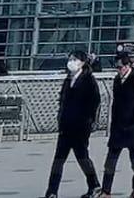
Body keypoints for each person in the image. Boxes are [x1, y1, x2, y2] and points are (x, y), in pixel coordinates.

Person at [45, 49, 101, 198]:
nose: (71, 62)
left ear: (82, 63)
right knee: (58, 160)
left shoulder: (88, 80)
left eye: (75, 60)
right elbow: (63, 102)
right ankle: (52, 192)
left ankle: (94, 186)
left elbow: (95, 102)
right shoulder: (68, 80)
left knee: (83, 158)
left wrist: (89, 121)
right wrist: (60, 118)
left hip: (80, 127)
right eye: (70, 59)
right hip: (66, 127)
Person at [100, 50, 134, 198]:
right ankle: (106, 191)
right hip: (118, 126)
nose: (118, 70)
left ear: (128, 65)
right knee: (110, 160)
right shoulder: (117, 80)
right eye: (116, 67)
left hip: (133, 125)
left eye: (120, 67)